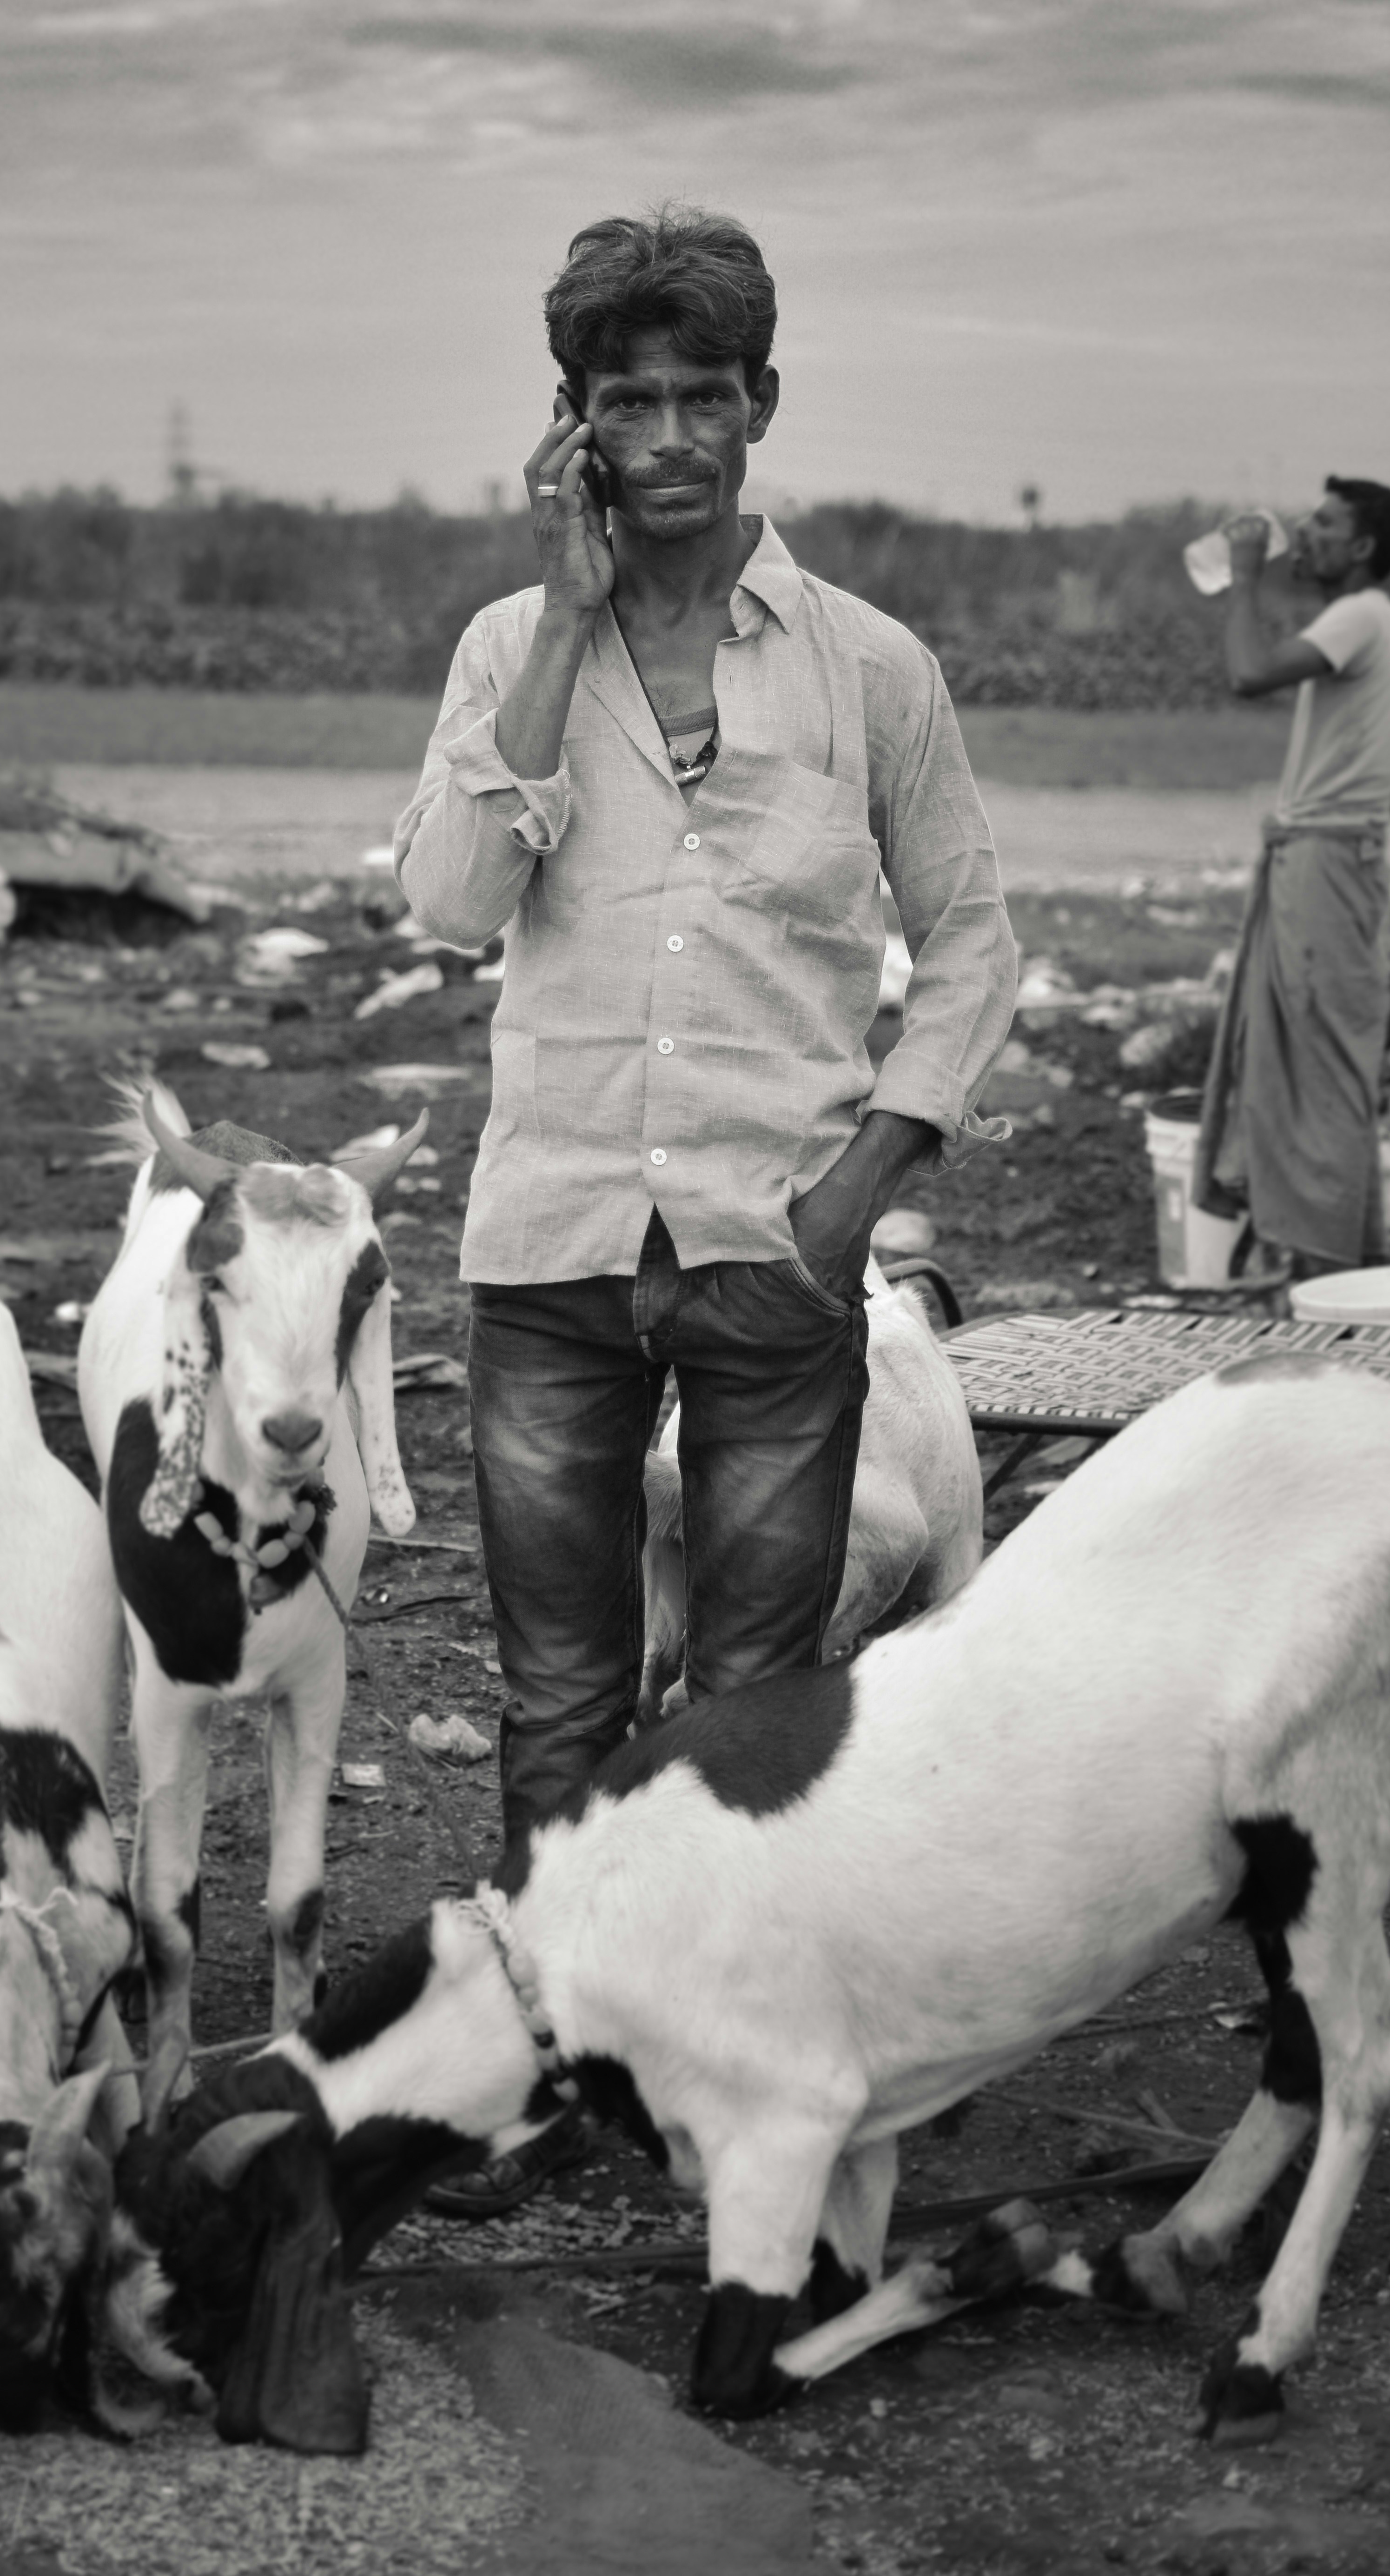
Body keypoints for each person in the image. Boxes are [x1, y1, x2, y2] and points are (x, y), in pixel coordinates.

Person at [393, 207, 1017, 2211]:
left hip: (776, 1252)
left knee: (752, 1711)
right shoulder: (512, 650)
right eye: (621, 400)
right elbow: (448, 907)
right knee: (559, 1697)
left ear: (759, 404)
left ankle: (724, 2068)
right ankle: (551, 2071)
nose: (665, 434)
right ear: (570, 425)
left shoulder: (865, 668)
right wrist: (565, 618)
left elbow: (976, 937)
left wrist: (864, 1184)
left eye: (697, 395)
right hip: (550, 1248)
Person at [1193, 479, 1390, 1276]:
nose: (1305, 533)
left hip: (1330, 860)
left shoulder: (1363, 613)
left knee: (1321, 1060)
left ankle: (1328, 1268)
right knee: (1324, 1054)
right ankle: (1339, 1255)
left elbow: (1248, 673)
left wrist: (1243, 575)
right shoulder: (1369, 618)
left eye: (1326, 523)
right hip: (1334, 855)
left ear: (1364, 547)